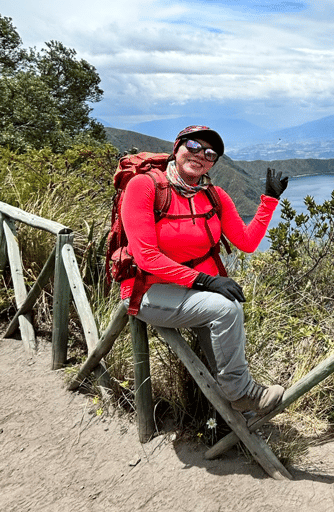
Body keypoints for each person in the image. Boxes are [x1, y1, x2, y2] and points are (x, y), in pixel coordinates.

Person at [120, 125, 289, 416]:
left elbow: (246, 242)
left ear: (213, 163)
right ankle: (243, 393)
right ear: (177, 147)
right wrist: (206, 280)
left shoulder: (214, 196)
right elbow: (146, 257)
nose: (200, 155)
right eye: (194, 147)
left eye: (210, 154)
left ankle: (237, 416)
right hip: (149, 292)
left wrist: (269, 201)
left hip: (193, 292)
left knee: (225, 311)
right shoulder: (145, 187)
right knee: (225, 309)